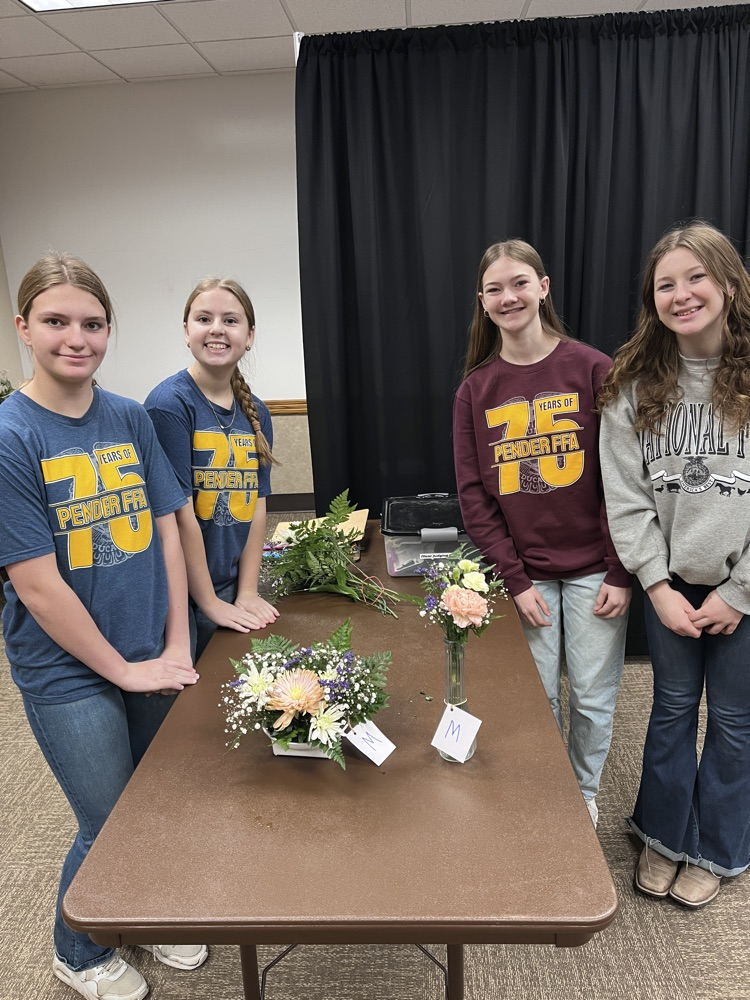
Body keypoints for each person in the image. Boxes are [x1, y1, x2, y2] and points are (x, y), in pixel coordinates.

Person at [0, 252, 207, 1000]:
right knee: (109, 817)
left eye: (91, 323)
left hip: (148, 646)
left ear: (110, 330)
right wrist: (120, 671)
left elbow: (165, 528)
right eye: (56, 322)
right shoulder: (11, 435)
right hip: (66, 670)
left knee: (151, 800)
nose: (75, 338)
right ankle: (77, 953)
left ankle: (139, 915)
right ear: (24, 328)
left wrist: (177, 637)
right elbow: (36, 584)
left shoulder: (125, 415)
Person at [453, 239, 632, 827]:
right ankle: (543, 799)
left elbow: (623, 480)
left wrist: (620, 569)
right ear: (482, 301)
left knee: (592, 700)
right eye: (496, 289)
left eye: (520, 283)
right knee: (538, 702)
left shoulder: (592, 368)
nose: (509, 297)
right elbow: (475, 498)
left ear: (544, 287)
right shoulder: (475, 390)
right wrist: (515, 578)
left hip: (595, 575)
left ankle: (580, 800)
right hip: (525, 578)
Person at [599, 221, 750, 908]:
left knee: (734, 723)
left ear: (727, 283)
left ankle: (717, 849)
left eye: (696, 278)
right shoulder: (633, 383)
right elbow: (626, 500)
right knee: (669, 711)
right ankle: (664, 836)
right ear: (651, 298)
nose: (682, 294)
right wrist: (655, 586)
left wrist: (741, 592)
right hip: (670, 587)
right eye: (666, 284)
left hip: (743, 592)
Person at [145, 277, 278, 662]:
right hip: (181, 593)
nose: (217, 328)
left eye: (230, 320)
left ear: (249, 335)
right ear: (186, 331)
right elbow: (177, 514)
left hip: (229, 582)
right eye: (204, 318)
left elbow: (257, 505)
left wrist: (248, 590)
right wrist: (209, 603)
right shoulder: (169, 405)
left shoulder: (257, 412)